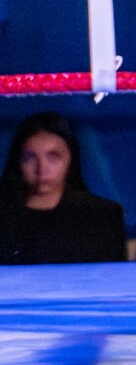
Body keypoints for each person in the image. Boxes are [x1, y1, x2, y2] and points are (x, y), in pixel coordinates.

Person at [0, 110, 126, 265]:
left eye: (53, 157)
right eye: (30, 158)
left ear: (70, 159)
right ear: (17, 161)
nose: (42, 169)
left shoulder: (103, 215)